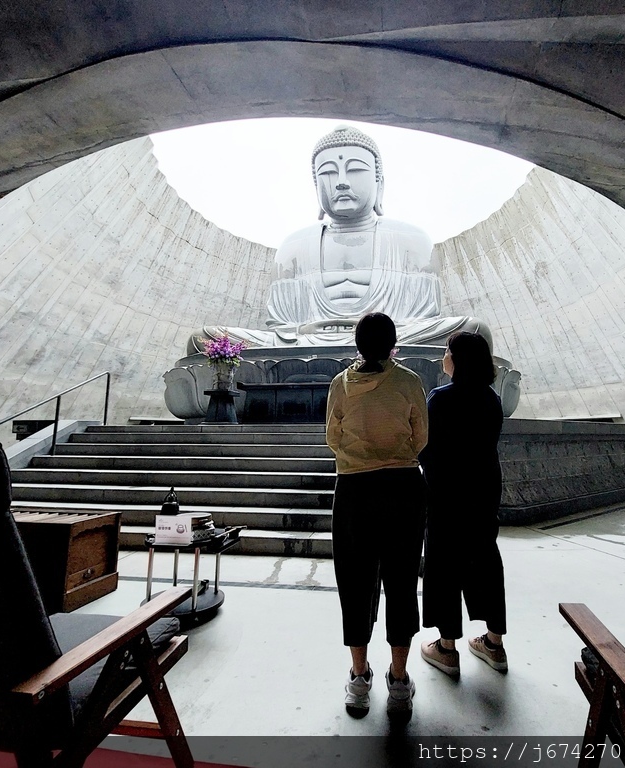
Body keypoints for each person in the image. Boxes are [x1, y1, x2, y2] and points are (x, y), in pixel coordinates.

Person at [188, 124, 490, 351]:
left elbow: (422, 322)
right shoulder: (294, 246)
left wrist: (380, 336)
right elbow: (282, 328)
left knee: (473, 332)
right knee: (203, 339)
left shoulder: (412, 241)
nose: (342, 182)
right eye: (328, 173)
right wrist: (312, 332)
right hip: (309, 344)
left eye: (355, 170)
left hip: (392, 344)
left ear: (378, 182)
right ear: (315, 185)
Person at [325, 312, 428, 721]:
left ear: (356, 343)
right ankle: (399, 681)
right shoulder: (409, 382)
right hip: (404, 487)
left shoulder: (340, 385)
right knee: (401, 580)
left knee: (355, 580)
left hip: (354, 489)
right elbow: (421, 436)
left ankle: (358, 676)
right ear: (393, 344)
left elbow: (332, 437)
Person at [419, 331, 508, 677]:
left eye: (447, 351)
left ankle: (446, 647)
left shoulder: (440, 399)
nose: (444, 357)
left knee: (443, 563)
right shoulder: (491, 400)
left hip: (446, 492)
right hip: (484, 489)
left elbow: (426, 447)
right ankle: (494, 643)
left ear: (456, 360)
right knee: (486, 557)